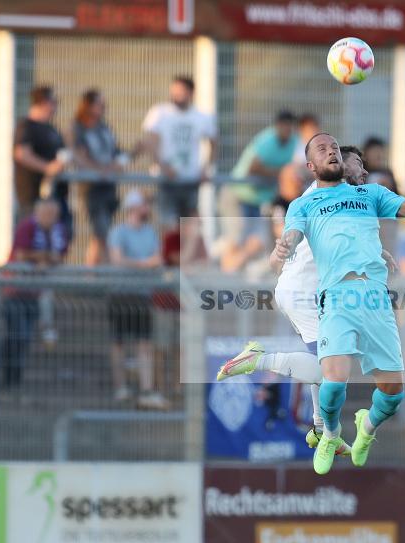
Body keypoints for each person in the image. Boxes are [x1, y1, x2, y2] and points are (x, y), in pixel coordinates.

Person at [272, 132, 405, 475]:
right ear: (312, 166)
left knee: (392, 392)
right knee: (333, 380)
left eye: (335, 148)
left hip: (375, 299)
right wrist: (284, 245)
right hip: (328, 294)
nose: (332, 152)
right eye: (324, 150)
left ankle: (365, 428)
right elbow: (294, 232)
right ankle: (328, 434)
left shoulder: (369, 195)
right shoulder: (306, 202)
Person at [215, 146, 374, 458]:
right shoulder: (325, 195)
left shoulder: (343, 198)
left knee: (322, 357)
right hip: (302, 291)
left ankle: (321, 429)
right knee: (331, 371)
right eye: (356, 164)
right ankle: (257, 360)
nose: (363, 171)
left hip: (306, 291)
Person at [107, 190, 169, 410]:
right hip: (121, 294)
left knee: (144, 342)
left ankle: (146, 389)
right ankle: (120, 387)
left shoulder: (150, 232)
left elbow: (157, 260)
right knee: (118, 342)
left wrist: (135, 264)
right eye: (144, 204)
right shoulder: (118, 231)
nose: (148, 208)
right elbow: (117, 260)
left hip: (142, 295)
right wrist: (144, 265)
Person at [0, 198, 69, 392]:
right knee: (18, 335)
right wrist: (45, 257)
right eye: (47, 214)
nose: (50, 218)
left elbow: (60, 256)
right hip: (15, 291)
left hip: (35, 293)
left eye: (53, 215)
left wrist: (45, 258)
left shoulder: (58, 230)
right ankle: (6, 375)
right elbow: (21, 254)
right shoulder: (27, 227)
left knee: (25, 337)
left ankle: (14, 379)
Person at [222, 110, 299, 273]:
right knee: (235, 239)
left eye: (290, 126)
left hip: (258, 200)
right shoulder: (267, 140)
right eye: (284, 126)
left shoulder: (294, 142)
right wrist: (278, 173)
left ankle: (233, 270)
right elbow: (253, 168)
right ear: (277, 126)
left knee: (257, 241)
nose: (287, 130)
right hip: (238, 194)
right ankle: (226, 273)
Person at [139, 75, 217, 229]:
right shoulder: (160, 113)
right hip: (166, 180)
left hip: (190, 180)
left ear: (191, 93)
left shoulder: (201, 117)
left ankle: (185, 254)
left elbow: (214, 143)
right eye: (174, 91)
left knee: (190, 227)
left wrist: (206, 168)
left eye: (181, 91)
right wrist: (163, 166)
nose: (177, 95)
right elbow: (150, 142)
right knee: (169, 226)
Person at [73, 89, 122, 266]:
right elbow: (80, 155)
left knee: (100, 234)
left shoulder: (104, 127)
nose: (103, 108)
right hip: (92, 188)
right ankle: (106, 271)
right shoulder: (78, 127)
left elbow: (116, 151)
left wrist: (117, 164)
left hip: (109, 186)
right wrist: (98, 170)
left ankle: (92, 273)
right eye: (99, 104)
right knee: (101, 232)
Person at [13, 86, 71, 230]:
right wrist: (47, 167)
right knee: (35, 239)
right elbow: (21, 153)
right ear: (44, 102)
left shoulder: (51, 129)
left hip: (56, 196)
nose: (56, 107)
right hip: (34, 195)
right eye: (54, 102)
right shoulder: (26, 126)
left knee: (62, 235)